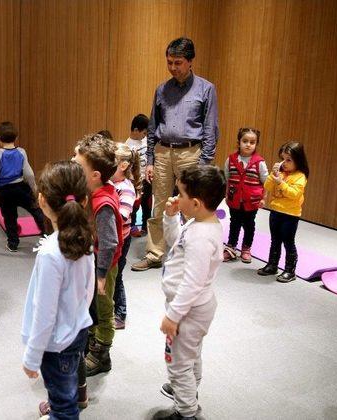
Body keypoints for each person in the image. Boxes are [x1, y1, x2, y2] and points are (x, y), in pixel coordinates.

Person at [132, 37, 219, 272]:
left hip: (191, 152)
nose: (173, 67)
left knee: (192, 204)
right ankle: (155, 253)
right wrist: (149, 160)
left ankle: (191, 253)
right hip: (162, 152)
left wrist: (204, 163)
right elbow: (152, 127)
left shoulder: (206, 89)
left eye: (178, 62)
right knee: (159, 205)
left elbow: (210, 129)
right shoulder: (161, 89)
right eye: (169, 62)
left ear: (190, 61)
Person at [22, 160, 95, 420]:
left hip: (56, 345)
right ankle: (60, 403)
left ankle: (61, 408)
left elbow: (45, 313)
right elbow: (88, 291)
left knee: (64, 406)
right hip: (77, 330)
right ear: (84, 201)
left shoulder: (51, 253)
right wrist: (75, 318)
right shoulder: (84, 238)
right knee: (66, 386)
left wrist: (31, 357)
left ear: (42, 201)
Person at [158, 166, 226, 420]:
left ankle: (186, 411)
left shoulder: (201, 236)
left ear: (195, 203)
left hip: (188, 309)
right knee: (190, 353)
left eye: (181, 194)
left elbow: (192, 282)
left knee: (177, 363)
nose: (177, 197)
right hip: (194, 307)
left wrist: (173, 316)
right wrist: (170, 217)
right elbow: (177, 245)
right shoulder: (200, 224)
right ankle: (188, 388)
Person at [73, 133, 123, 380]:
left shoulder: (103, 202)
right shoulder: (93, 191)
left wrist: (102, 274)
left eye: (78, 163)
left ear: (95, 176)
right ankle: (91, 341)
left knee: (104, 308)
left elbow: (110, 241)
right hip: (94, 261)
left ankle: (102, 354)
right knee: (92, 303)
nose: (73, 162)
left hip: (105, 265)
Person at [0, 121, 45, 252]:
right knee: (36, 210)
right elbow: (29, 174)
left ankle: (13, 243)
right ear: (16, 138)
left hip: (5, 191)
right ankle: (46, 236)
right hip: (22, 188)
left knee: (10, 217)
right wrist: (35, 190)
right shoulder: (21, 152)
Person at [257, 141, 310, 282]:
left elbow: (294, 194)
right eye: (282, 159)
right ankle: (272, 265)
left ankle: (290, 270)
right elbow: (267, 186)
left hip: (290, 215)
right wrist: (273, 174)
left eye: (288, 160)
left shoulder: (300, 176)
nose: (284, 163)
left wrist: (281, 182)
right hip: (275, 211)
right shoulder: (280, 172)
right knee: (275, 240)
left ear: (298, 160)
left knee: (288, 241)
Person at [223, 128, 269, 263]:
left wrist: (263, 198)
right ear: (239, 142)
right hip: (234, 200)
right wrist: (226, 195)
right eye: (245, 141)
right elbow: (227, 178)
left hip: (252, 201)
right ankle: (231, 247)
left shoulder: (259, 162)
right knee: (234, 223)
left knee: (249, 224)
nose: (248, 144)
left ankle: (246, 248)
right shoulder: (231, 159)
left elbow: (266, 182)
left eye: (252, 142)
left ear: (256, 144)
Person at [112, 143, 140, 330]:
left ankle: (120, 314)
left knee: (117, 275)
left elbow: (123, 214)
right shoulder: (110, 183)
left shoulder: (126, 187)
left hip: (121, 238)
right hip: (108, 237)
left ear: (123, 165)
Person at [125, 113, 151, 237]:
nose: (145, 136)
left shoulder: (145, 141)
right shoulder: (128, 145)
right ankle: (132, 226)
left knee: (147, 204)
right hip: (134, 181)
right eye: (144, 133)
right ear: (135, 130)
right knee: (134, 205)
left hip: (147, 179)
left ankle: (146, 226)